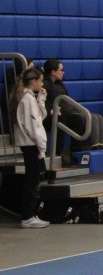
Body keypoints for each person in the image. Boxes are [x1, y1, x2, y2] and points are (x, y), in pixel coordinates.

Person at [42, 58, 103, 165]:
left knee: (97, 116)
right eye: (61, 70)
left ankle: (101, 143)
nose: (63, 72)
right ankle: (79, 149)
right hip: (57, 113)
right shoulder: (46, 85)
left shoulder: (59, 84)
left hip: (66, 111)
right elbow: (47, 103)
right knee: (80, 118)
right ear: (53, 72)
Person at [11, 68, 49, 228]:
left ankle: (30, 214)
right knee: (32, 181)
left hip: (31, 143)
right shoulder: (26, 99)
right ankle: (27, 216)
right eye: (40, 80)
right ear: (33, 81)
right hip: (31, 144)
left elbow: (40, 117)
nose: (42, 83)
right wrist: (41, 147)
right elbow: (34, 126)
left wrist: (41, 99)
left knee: (33, 179)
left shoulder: (30, 98)